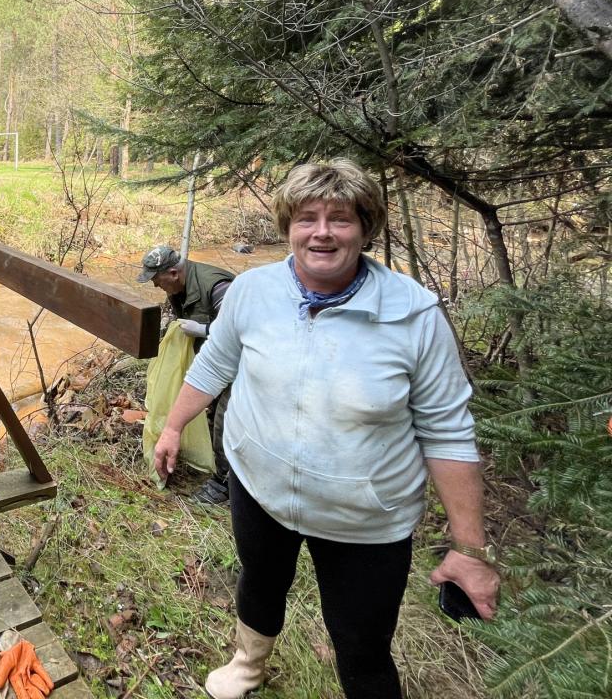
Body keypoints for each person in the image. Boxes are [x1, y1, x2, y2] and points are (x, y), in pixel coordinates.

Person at [153, 159, 499, 699]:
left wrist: (470, 549)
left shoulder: (414, 315)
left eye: (340, 219)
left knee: (362, 643)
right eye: (306, 218)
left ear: (365, 228)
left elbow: (447, 432)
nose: (321, 233)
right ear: (287, 226)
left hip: (364, 518)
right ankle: (248, 664)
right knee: (259, 580)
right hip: (259, 487)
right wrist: (173, 427)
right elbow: (216, 364)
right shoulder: (252, 291)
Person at [137, 244, 234, 504]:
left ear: (173, 273)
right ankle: (219, 466)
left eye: (157, 279)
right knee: (211, 413)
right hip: (214, 361)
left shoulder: (217, 287)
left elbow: (242, 330)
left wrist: (203, 330)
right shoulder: (178, 288)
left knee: (226, 418)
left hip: (241, 363)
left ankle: (223, 485)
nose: (155, 285)